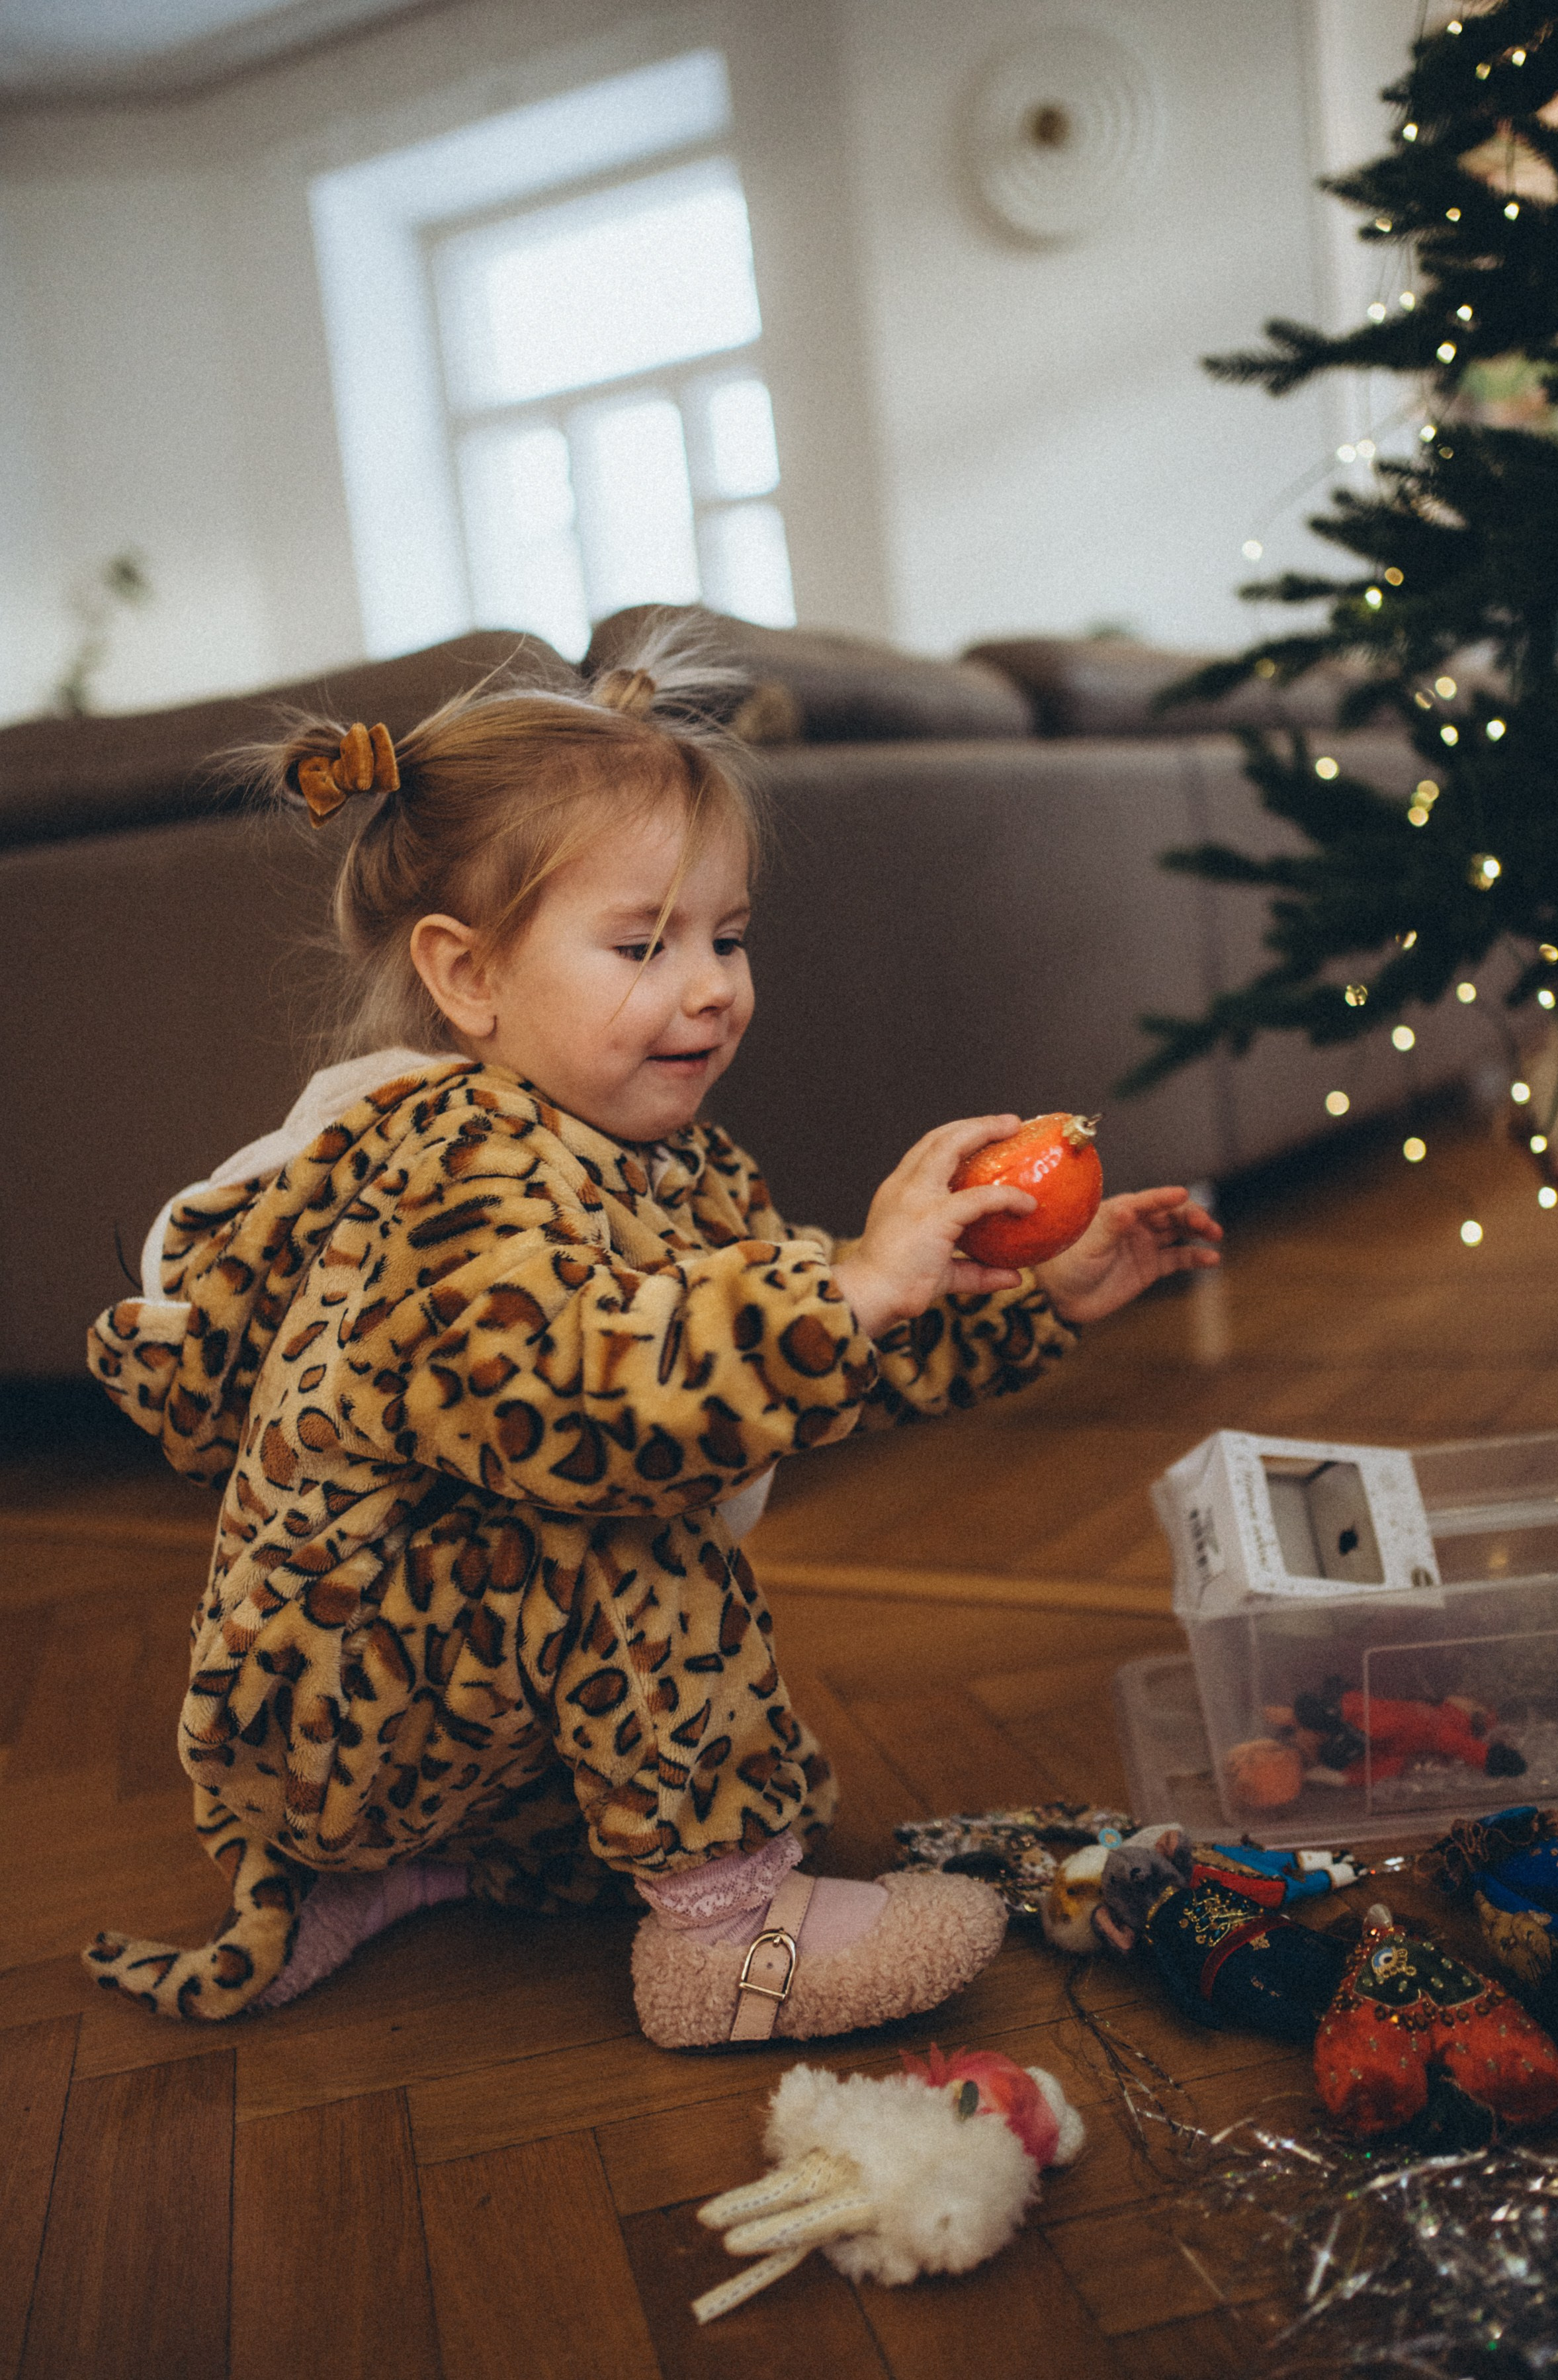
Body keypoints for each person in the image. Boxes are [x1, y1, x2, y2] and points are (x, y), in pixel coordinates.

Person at [85, 638, 1220, 2045]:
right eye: (642, 945)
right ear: (467, 974)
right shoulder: (452, 1173)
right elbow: (597, 1398)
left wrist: (1013, 1296)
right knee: (621, 1518)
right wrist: (851, 1282)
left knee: (663, 1581)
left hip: (433, 1717)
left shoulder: (662, 1159)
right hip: (326, 1710)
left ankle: (414, 1865)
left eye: (724, 937)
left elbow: (771, 1361)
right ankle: (721, 1938)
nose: (708, 989)